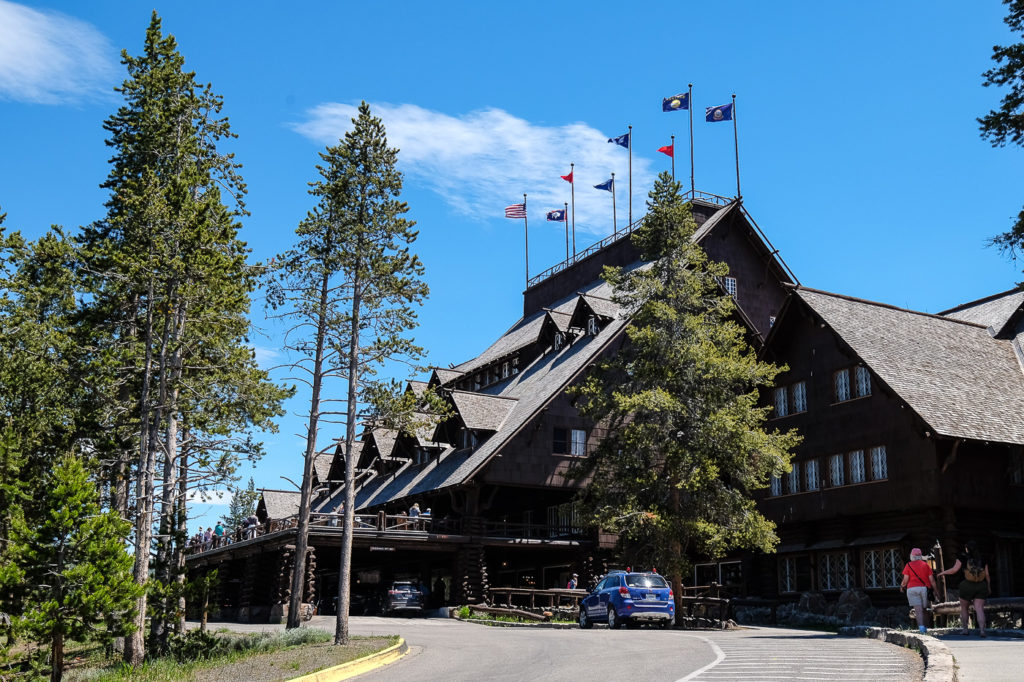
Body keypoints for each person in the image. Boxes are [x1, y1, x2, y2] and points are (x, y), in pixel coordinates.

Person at [937, 541, 992, 637]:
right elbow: (987, 575)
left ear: (967, 549)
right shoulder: (983, 558)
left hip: (966, 585)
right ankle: (982, 631)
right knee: (979, 609)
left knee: (964, 608)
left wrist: (942, 573)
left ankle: (965, 630)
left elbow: (954, 570)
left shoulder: (962, 557)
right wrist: (988, 586)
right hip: (981, 585)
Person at [900, 547, 938, 634]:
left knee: (918, 610)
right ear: (920, 556)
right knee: (924, 609)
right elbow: (932, 580)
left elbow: (905, 580)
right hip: (924, 588)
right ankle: (926, 627)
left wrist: (902, 586)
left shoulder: (908, 565)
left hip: (912, 589)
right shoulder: (925, 565)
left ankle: (922, 629)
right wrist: (936, 591)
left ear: (912, 556)